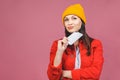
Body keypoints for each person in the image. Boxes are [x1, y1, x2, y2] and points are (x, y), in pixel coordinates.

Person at [47, 3, 104, 80]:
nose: (70, 22)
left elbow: (95, 73)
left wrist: (65, 73)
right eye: (66, 19)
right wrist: (60, 52)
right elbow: (53, 77)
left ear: (81, 21)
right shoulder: (57, 44)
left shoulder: (95, 44)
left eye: (74, 18)